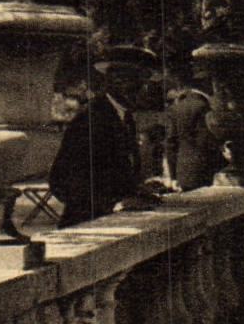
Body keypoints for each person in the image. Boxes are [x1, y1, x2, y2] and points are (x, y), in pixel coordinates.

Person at [49, 46, 164, 227]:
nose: (145, 90)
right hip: (85, 227)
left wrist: (137, 190)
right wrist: (113, 204)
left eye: (147, 83)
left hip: (116, 223)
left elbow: (115, 176)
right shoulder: (91, 120)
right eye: (138, 82)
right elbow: (61, 181)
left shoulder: (125, 118)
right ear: (115, 80)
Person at [165, 73, 223, 191]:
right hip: (203, 169)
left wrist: (173, 175)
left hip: (182, 170)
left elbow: (170, 143)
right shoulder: (204, 107)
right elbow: (206, 142)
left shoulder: (176, 107)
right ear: (207, 85)